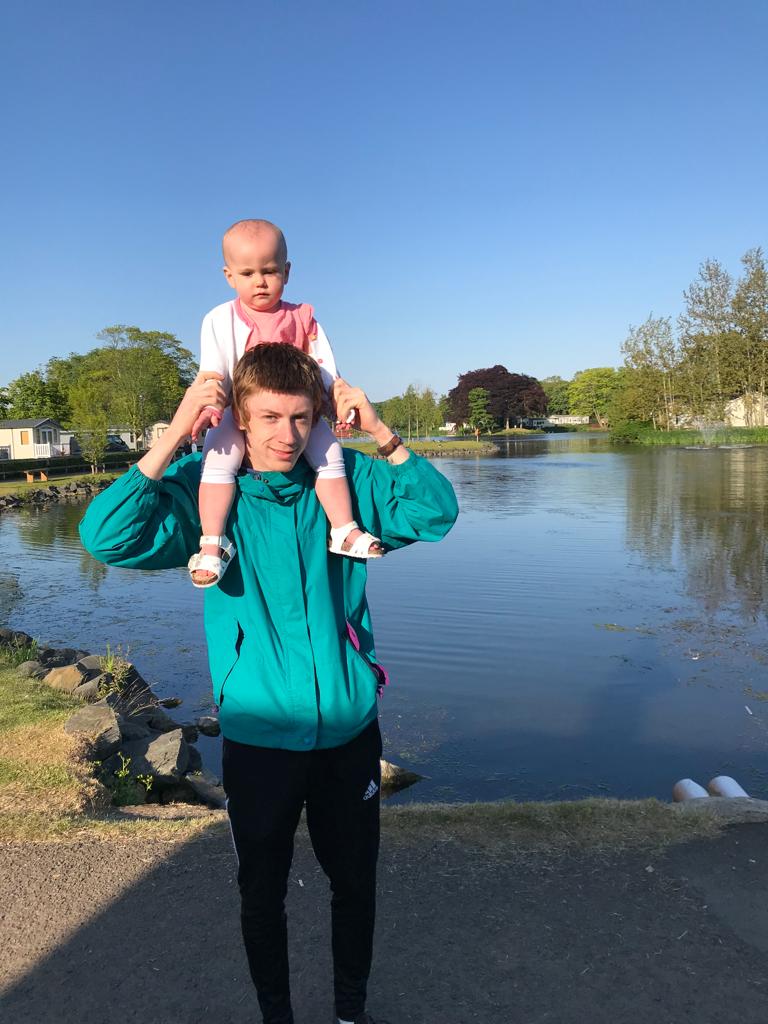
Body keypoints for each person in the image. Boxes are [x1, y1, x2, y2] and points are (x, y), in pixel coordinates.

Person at [79, 343, 458, 1024]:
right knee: (262, 891)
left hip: (347, 732)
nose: (287, 435)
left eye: (301, 418)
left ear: (318, 419)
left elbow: (436, 514)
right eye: (270, 418)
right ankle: (276, 1017)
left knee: (356, 887)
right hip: (258, 737)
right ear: (240, 423)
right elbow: (106, 537)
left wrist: (383, 433)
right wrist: (171, 434)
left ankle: (350, 1014)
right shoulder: (205, 494)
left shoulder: (346, 487)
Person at [189, 217, 382, 588]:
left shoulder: (303, 318)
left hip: (295, 413)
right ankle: (212, 541)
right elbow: (213, 371)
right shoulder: (219, 319)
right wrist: (211, 410)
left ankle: (343, 528)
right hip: (237, 409)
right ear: (229, 276)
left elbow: (326, 367)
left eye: (270, 271)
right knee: (216, 461)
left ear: (287, 272)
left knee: (329, 456)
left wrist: (337, 404)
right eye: (247, 273)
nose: (259, 281)